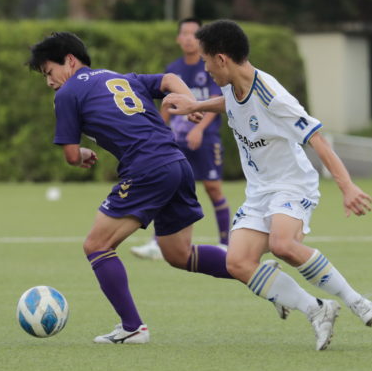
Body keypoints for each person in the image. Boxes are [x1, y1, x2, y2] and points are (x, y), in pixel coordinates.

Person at [164, 19, 372, 351]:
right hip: (259, 190)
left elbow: (318, 140)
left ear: (222, 59)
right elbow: (230, 103)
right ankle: (317, 309)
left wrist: (347, 186)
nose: (205, 68)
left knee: (283, 245)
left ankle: (357, 301)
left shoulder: (273, 96)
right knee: (237, 262)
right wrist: (197, 105)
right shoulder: (231, 84)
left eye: (207, 61)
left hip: (292, 184)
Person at [26, 31, 235, 345]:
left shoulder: (67, 93)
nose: (49, 81)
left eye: (49, 71)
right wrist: (192, 102)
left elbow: (70, 155)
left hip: (146, 168)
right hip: (176, 163)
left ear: (69, 61)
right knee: (179, 254)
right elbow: (169, 80)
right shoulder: (120, 77)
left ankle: (133, 327)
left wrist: (81, 154)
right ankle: (252, 270)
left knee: (96, 245)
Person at [131, 18, 230, 260]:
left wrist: (199, 129)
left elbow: (215, 101)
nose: (188, 38)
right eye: (184, 33)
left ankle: (226, 244)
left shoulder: (209, 67)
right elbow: (168, 104)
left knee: (213, 188)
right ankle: (156, 243)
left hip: (206, 140)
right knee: (167, 186)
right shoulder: (173, 69)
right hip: (177, 142)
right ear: (178, 39)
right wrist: (157, 132)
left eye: (193, 34)